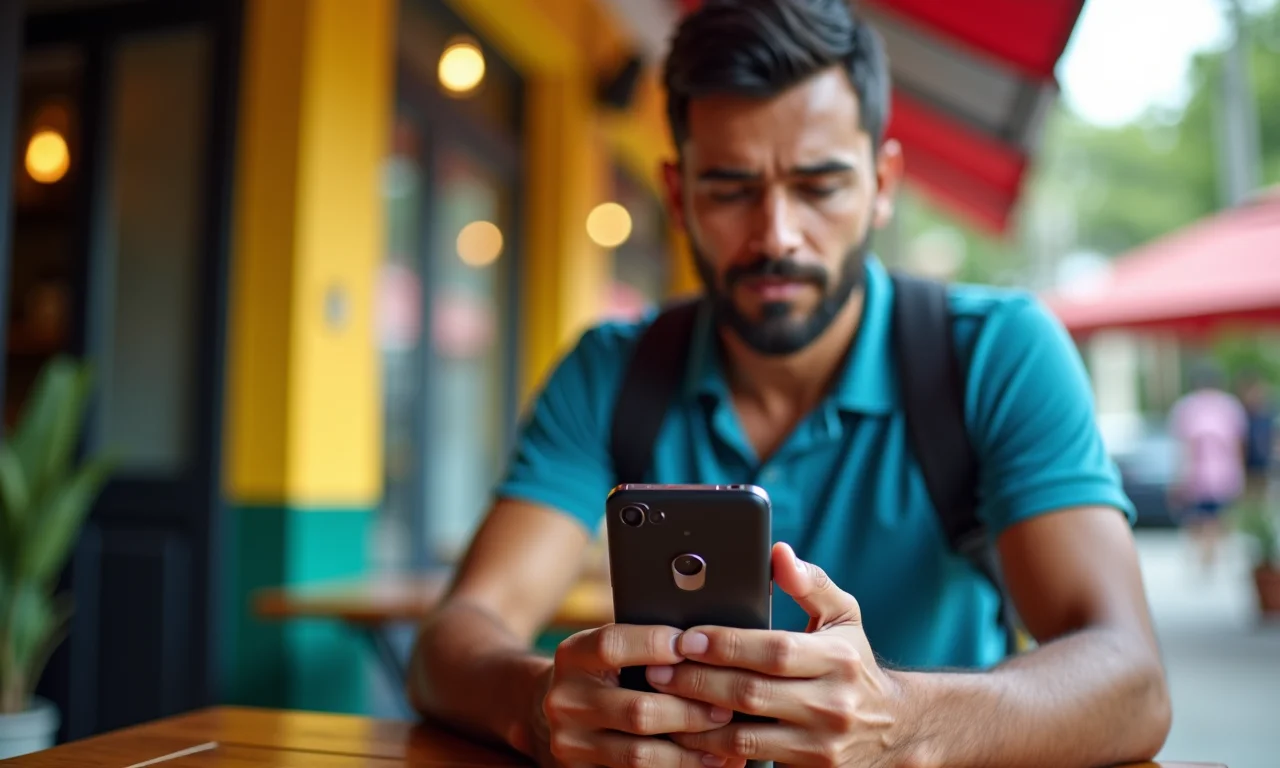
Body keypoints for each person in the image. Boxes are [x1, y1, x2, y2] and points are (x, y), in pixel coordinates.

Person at [407, 1, 1171, 766]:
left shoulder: (998, 354)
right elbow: (453, 638)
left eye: (819, 186)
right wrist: (538, 706)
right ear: (677, 197)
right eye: (732, 189)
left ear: (882, 183)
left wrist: (904, 725)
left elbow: (1131, 680)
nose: (776, 234)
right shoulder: (611, 369)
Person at [1168, 364, 1249, 571]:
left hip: (1206, 472)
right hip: (1211, 472)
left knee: (1207, 516)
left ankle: (1208, 555)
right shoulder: (1227, 406)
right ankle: (1209, 555)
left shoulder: (1190, 407)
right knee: (1211, 516)